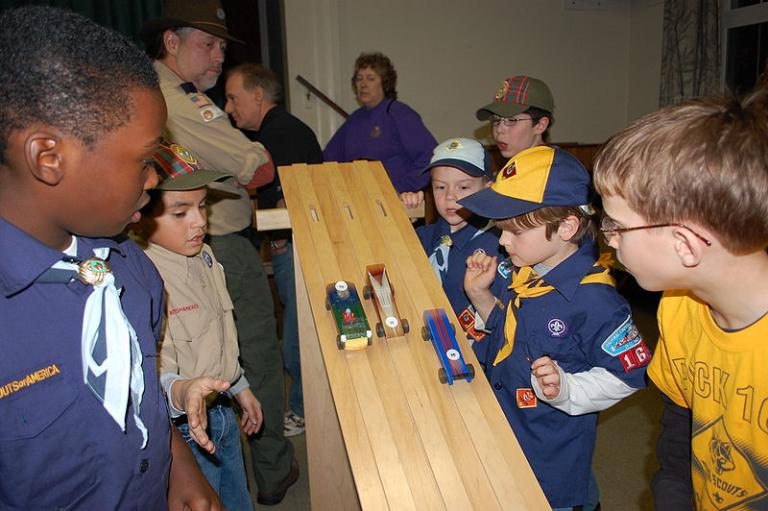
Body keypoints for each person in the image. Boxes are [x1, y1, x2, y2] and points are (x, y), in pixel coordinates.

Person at [0, 5, 223, 509]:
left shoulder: (131, 269)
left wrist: (177, 464)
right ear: (48, 158)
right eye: (146, 160)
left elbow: (131, 388)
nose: (153, 180)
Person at [141, 0, 298, 505]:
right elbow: (258, 168)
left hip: (208, 249)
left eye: (223, 47)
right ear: (171, 42)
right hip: (219, 246)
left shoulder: (163, 95)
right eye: (207, 45)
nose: (218, 57)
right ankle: (274, 469)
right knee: (254, 349)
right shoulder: (174, 100)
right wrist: (238, 159)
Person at [592, 87, 768, 510]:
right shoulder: (679, 305)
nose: (608, 239)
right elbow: (678, 437)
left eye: (616, 226)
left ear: (685, 244)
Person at [459, 145, 650, 510]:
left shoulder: (596, 300)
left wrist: (567, 389)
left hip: (549, 459)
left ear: (566, 227)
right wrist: (480, 297)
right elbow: (514, 333)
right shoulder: (525, 268)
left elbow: (630, 375)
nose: (502, 241)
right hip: (506, 429)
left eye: (514, 230)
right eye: (501, 229)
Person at [134, 140, 264, 510]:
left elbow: (219, 331)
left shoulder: (205, 255)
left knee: (239, 502)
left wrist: (240, 385)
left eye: (202, 206)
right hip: (183, 430)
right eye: (180, 212)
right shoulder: (143, 274)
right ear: (141, 212)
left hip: (221, 411)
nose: (200, 221)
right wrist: (183, 390)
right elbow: (148, 369)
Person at [225, 63, 324, 437]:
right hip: (292, 245)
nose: (230, 108)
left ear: (258, 95)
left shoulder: (280, 133)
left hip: (298, 248)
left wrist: (280, 234)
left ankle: (303, 408)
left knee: (299, 337)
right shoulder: (282, 130)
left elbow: (297, 192)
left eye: (235, 98)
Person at [401, 138, 503, 342]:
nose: (450, 197)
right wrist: (398, 223)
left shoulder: (500, 247)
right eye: (440, 187)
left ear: (488, 189)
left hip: (476, 360)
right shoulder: (423, 236)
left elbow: (503, 323)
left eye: (463, 187)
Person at [324, 51, 437, 193]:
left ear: (385, 82)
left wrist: (401, 189)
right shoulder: (354, 121)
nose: (363, 85)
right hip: (359, 197)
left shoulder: (399, 114)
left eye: (370, 78)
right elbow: (328, 161)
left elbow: (430, 158)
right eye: (359, 79)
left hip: (397, 199)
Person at [476, 75, 555, 160]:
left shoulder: (554, 169)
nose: (499, 130)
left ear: (540, 125)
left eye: (511, 120)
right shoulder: (517, 166)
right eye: (496, 120)